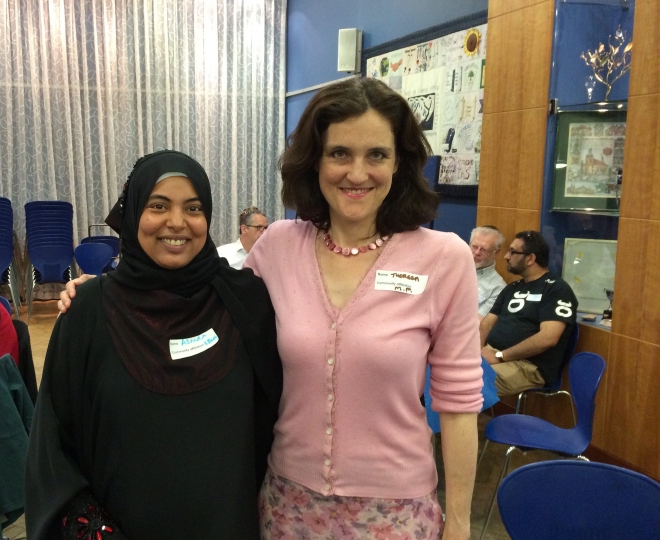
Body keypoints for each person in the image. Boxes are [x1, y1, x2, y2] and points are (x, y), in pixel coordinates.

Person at [58, 80, 483, 540]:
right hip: (288, 507)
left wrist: (459, 523)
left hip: (396, 512)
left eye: (376, 154)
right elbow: (201, 298)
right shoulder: (280, 245)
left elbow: (458, 404)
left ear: (399, 162)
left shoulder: (443, 259)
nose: (357, 173)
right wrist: (107, 293)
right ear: (315, 161)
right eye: (340, 153)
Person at [26, 151, 282, 540]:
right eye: (158, 206)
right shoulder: (88, 313)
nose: (177, 222)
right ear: (133, 215)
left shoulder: (247, 302)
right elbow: (53, 449)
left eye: (193, 208)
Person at [480, 230, 578, 397]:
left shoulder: (557, 290)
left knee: (466, 381)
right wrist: (479, 350)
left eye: (513, 252)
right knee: (442, 368)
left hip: (527, 366)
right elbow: (486, 324)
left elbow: (548, 338)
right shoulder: (512, 288)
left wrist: (500, 356)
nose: (506, 256)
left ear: (531, 259)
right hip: (493, 353)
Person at [470, 225, 507, 320]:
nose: (477, 252)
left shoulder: (498, 288)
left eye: (483, 249)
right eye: (474, 247)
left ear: (496, 253)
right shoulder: (452, 267)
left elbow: (477, 323)